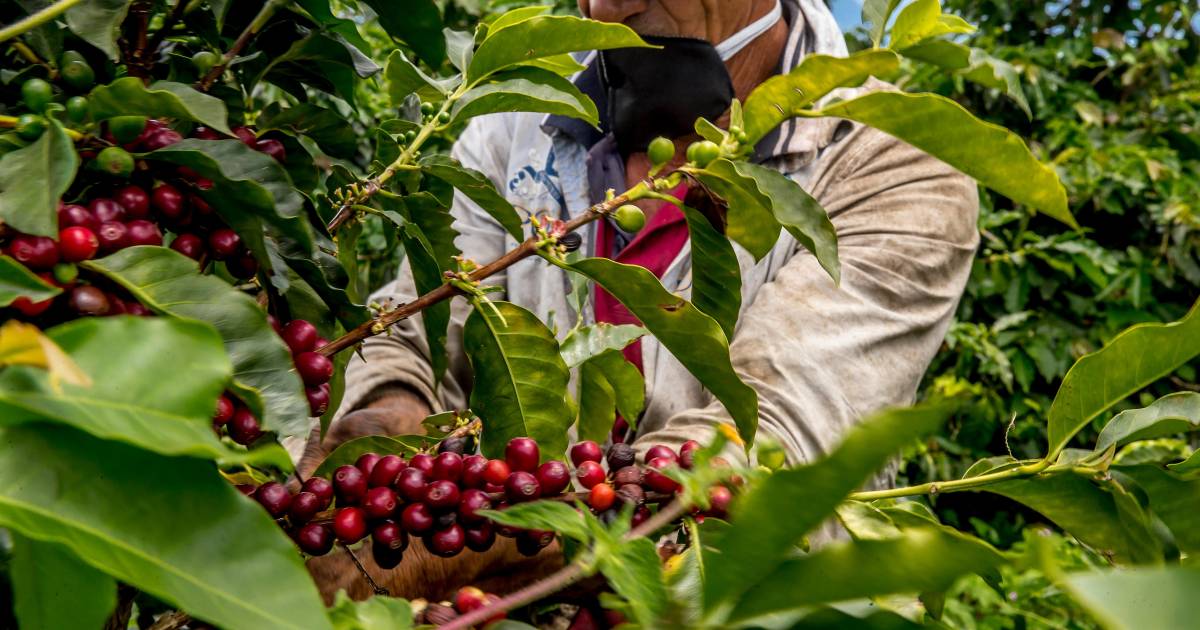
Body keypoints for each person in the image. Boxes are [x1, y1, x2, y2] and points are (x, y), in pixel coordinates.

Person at [300, 0, 979, 602]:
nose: (604, 8)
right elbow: (410, 330)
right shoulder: (518, 124)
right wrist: (372, 449)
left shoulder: (891, 165)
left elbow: (768, 446)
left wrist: (432, 554)